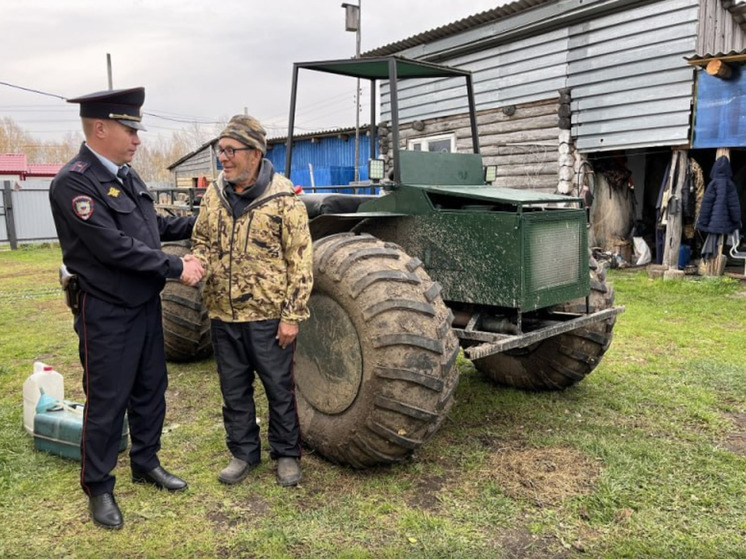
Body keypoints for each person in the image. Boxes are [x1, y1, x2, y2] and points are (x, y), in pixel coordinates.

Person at [49, 87, 204, 530]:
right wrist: (177, 266)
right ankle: (99, 488)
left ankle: (146, 463)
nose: (137, 139)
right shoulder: (74, 182)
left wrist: (197, 221)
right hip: (105, 311)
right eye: (129, 129)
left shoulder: (125, 175)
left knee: (150, 389)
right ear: (100, 128)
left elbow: (150, 227)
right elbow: (114, 248)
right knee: (107, 401)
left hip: (142, 303)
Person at [191, 115, 313, 487]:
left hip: (268, 317)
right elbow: (201, 241)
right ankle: (243, 453)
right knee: (234, 390)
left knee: (278, 388)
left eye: (230, 151)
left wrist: (291, 316)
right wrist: (197, 264)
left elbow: (301, 261)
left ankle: (287, 454)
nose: (223, 158)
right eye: (220, 151)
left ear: (255, 153)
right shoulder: (214, 194)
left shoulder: (284, 198)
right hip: (223, 313)